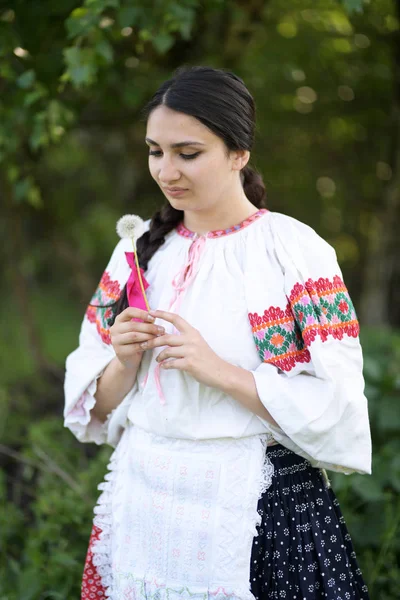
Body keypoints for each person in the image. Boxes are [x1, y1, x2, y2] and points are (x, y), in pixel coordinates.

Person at [64, 66, 372, 600]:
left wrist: (218, 371)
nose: (166, 170)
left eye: (188, 153)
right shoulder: (136, 253)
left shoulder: (292, 251)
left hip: (256, 505)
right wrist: (123, 360)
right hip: (145, 500)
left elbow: (337, 403)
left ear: (239, 153)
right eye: (155, 151)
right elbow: (97, 407)